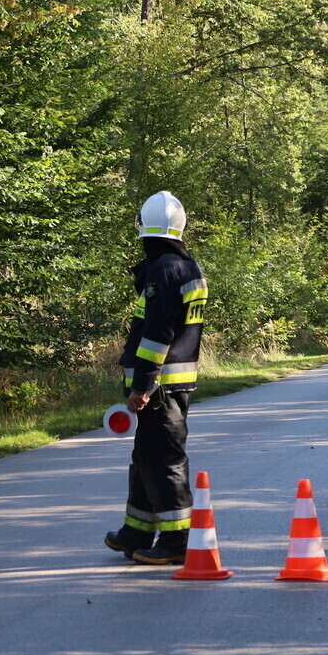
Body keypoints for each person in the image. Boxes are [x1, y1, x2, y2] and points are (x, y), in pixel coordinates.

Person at [104, 190, 209, 565]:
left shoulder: (163, 270)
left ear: (143, 229)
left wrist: (143, 385)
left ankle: (177, 540)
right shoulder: (185, 266)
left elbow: (157, 333)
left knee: (164, 459)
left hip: (160, 386)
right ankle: (138, 530)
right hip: (171, 383)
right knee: (146, 457)